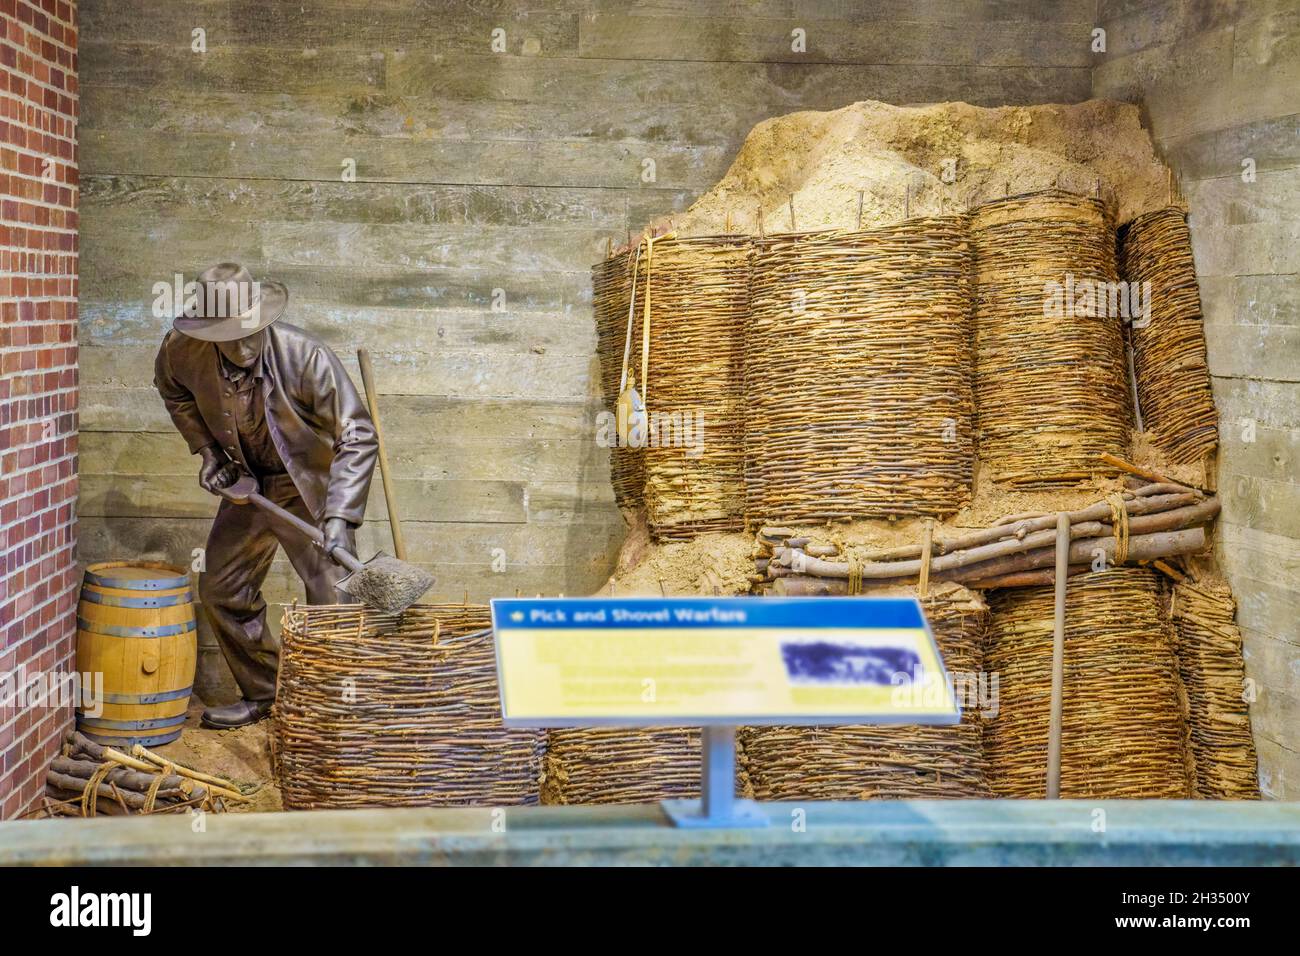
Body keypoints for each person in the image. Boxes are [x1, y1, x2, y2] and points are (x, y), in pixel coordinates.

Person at [154, 262, 377, 728]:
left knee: (332, 596)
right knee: (220, 588)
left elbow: (358, 435)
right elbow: (173, 393)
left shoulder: (305, 356)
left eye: (250, 331)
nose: (243, 343)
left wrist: (340, 517)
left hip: (307, 488)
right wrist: (209, 452)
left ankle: (338, 715)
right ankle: (265, 693)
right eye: (228, 335)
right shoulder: (181, 352)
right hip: (248, 488)